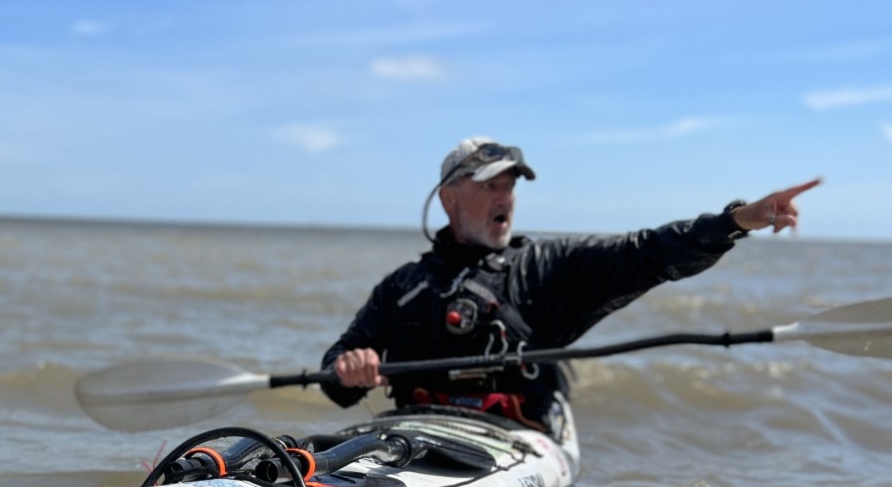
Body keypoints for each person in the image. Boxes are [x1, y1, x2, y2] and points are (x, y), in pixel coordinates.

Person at [322, 138, 820, 433]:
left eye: (511, 185)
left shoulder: (548, 265)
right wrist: (349, 368)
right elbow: (334, 380)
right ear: (450, 199)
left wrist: (738, 220)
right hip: (414, 436)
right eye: (491, 185)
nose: (506, 197)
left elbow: (648, 253)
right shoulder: (403, 286)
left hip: (512, 441)